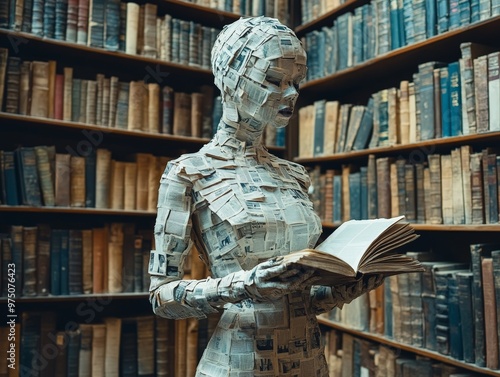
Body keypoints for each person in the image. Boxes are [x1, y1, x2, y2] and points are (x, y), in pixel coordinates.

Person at [149, 16, 383, 376]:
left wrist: (344, 289)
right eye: (275, 80)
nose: (291, 93)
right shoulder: (188, 173)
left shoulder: (294, 175)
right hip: (238, 363)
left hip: (308, 362)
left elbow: (296, 300)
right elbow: (161, 297)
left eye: (296, 82)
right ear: (231, 80)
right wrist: (243, 285)